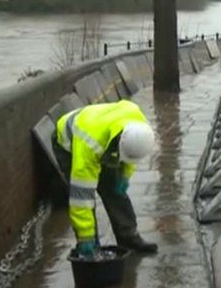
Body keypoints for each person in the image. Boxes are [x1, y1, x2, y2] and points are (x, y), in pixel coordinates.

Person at [52, 100, 158, 257]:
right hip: (70, 145)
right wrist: (85, 236)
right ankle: (89, 245)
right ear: (118, 142)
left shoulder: (139, 126)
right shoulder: (89, 143)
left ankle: (128, 237)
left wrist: (124, 175)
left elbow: (131, 155)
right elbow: (81, 198)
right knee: (86, 198)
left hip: (101, 128)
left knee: (114, 190)